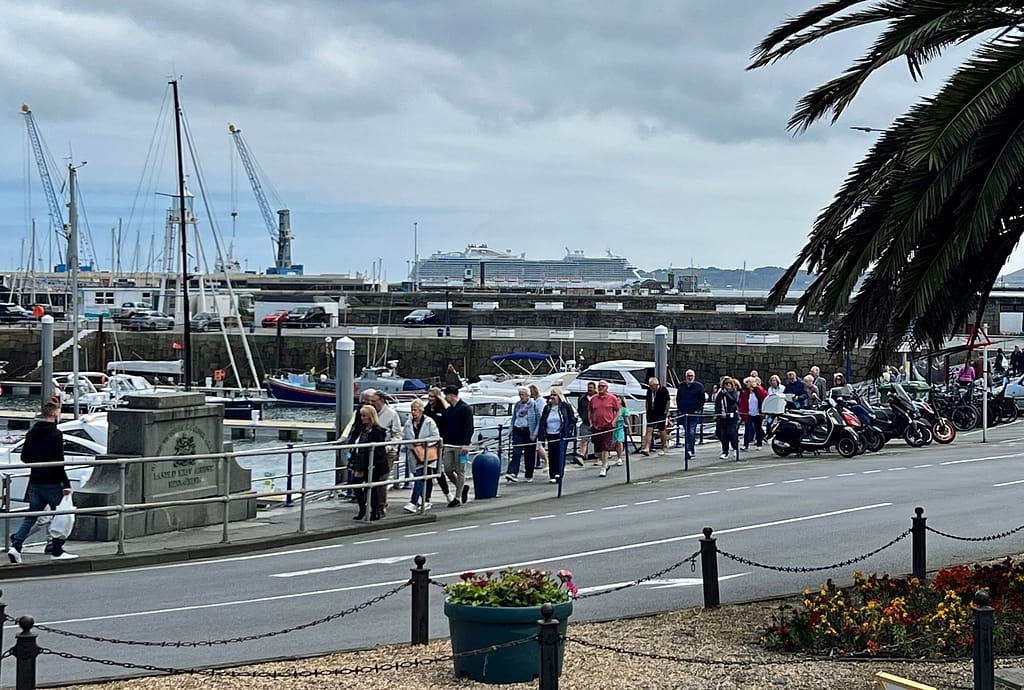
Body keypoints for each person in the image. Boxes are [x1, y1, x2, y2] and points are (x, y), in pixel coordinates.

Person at [8, 402, 76, 562]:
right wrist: (66, 484)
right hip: (52, 481)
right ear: (55, 414)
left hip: (35, 480)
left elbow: (25, 457)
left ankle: (16, 546)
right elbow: (59, 461)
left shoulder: (32, 432)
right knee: (62, 515)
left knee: (31, 516)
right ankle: (57, 550)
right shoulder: (56, 434)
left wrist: (38, 460)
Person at [345, 404, 388, 521]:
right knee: (357, 486)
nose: (362, 418)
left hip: (372, 464)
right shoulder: (360, 430)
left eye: (365, 416)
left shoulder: (377, 432)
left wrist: (369, 466)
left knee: (372, 487)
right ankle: (362, 509)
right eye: (361, 416)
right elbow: (354, 445)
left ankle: (375, 511)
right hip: (359, 463)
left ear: (371, 417)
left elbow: (378, 452)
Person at [402, 399, 442, 513]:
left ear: (421, 410)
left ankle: (413, 502)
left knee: (420, 478)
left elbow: (436, 436)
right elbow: (405, 437)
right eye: (412, 410)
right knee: (419, 477)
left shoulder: (429, 422)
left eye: (415, 410)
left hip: (425, 454)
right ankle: (425, 500)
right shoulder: (408, 423)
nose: (413, 413)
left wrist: (423, 442)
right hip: (413, 453)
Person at [368, 389, 403, 513]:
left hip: (387, 452)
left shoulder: (392, 414)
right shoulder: (370, 412)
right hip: (372, 452)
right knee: (372, 479)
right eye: (370, 401)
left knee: (382, 479)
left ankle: (381, 506)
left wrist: (390, 446)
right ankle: (373, 504)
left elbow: (398, 434)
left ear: (382, 401)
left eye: (374, 401)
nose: (371, 403)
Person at [442, 385, 474, 507]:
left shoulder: (466, 409)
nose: (445, 398)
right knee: (448, 469)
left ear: (451, 395)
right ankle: (462, 487)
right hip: (449, 444)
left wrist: (467, 443)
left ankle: (458, 497)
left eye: (446, 395)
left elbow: (469, 427)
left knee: (461, 470)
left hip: (462, 446)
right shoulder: (449, 410)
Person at [538, 389, 576, 483]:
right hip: (550, 434)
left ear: (559, 396)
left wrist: (568, 431)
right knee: (552, 455)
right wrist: (541, 434)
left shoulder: (565, 406)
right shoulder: (547, 407)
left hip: (561, 435)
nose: (552, 397)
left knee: (560, 455)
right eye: (551, 395)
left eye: (554, 395)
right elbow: (543, 420)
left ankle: (559, 474)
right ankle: (552, 474)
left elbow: (572, 419)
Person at [423, 387, 453, 504]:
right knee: (427, 471)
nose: (430, 399)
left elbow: (448, 419)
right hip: (428, 444)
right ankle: (426, 498)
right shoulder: (427, 409)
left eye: (432, 396)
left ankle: (447, 493)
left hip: (439, 443)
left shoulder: (443, 410)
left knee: (437, 470)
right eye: (429, 396)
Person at [587, 380, 621, 477]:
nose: (600, 387)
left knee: (605, 447)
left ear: (607, 388)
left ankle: (603, 467)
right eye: (599, 386)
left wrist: (613, 421)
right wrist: (590, 423)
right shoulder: (593, 399)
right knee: (598, 450)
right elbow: (590, 411)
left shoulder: (612, 398)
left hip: (608, 426)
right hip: (596, 426)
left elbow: (618, 410)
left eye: (603, 386)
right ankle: (605, 463)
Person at [506, 387, 540, 482]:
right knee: (516, 451)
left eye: (522, 394)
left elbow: (539, 420)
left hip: (529, 430)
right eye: (520, 394)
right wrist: (511, 429)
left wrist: (535, 433)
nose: (521, 397)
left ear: (528, 395)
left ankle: (529, 474)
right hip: (518, 429)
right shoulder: (517, 405)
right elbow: (513, 418)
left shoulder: (534, 405)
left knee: (529, 454)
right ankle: (512, 472)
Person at [676, 369, 705, 462]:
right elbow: (678, 398)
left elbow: (702, 399)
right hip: (684, 413)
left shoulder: (699, 386)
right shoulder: (681, 386)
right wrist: (679, 409)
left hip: (694, 413)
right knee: (687, 432)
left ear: (694, 376)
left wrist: (699, 409)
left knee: (691, 431)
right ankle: (689, 449)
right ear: (686, 376)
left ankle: (690, 450)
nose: (690, 377)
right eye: (688, 375)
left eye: (691, 375)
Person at [641, 377, 670, 456]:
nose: (650, 387)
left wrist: (665, 412)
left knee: (662, 430)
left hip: (661, 413)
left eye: (651, 386)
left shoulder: (663, 390)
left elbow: (668, 401)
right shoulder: (649, 391)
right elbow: (647, 401)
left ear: (656, 385)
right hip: (651, 413)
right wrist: (647, 411)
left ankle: (662, 448)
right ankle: (647, 447)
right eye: (649, 386)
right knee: (649, 429)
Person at [738, 376, 768, 450]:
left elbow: (765, 398)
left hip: (758, 413)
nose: (746, 384)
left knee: (758, 428)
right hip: (749, 413)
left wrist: (764, 411)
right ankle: (745, 445)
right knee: (747, 429)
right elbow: (742, 403)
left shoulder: (759, 390)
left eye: (747, 383)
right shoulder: (745, 393)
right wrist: (742, 412)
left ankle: (759, 444)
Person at [714, 376, 739, 460]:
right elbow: (717, 404)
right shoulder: (720, 394)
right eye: (726, 384)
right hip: (722, 417)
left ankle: (735, 448)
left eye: (729, 384)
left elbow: (733, 401)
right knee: (722, 434)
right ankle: (725, 452)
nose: (728, 385)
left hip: (731, 417)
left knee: (731, 433)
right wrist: (717, 414)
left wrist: (727, 394)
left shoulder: (733, 392)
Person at [575, 381, 596, 465]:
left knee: (597, 441)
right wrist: (583, 417)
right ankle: (581, 456)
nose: (589, 389)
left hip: (596, 423)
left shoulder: (597, 397)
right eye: (588, 387)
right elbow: (579, 409)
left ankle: (598, 458)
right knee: (584, 440)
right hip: (585, 422)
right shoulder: (582, 398)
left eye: (591, 387)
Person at [528, 384, 547, 470]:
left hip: (538, 425)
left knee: (538, 446)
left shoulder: (540, 401)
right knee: (535, 446)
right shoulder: (536, 401)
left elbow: (541, 413)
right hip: (533, 426)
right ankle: (533, 463)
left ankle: (546, 460)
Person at [612, 395, 630, 465]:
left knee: (619, 441)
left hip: (620, 427)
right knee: (615, 443)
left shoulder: (624, 410)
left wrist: (629, 429)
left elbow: (627, 420)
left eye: (618, 400)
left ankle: (619, 458)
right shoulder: (611, 409)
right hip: (612, 427)